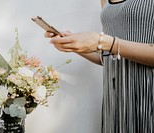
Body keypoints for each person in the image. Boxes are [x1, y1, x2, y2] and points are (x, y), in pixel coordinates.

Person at [45, 0, 154, 133]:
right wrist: (76, 45)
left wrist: (102, 42)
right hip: (116, 101)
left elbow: (110, 44)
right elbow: (107, 57)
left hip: (148, 96)